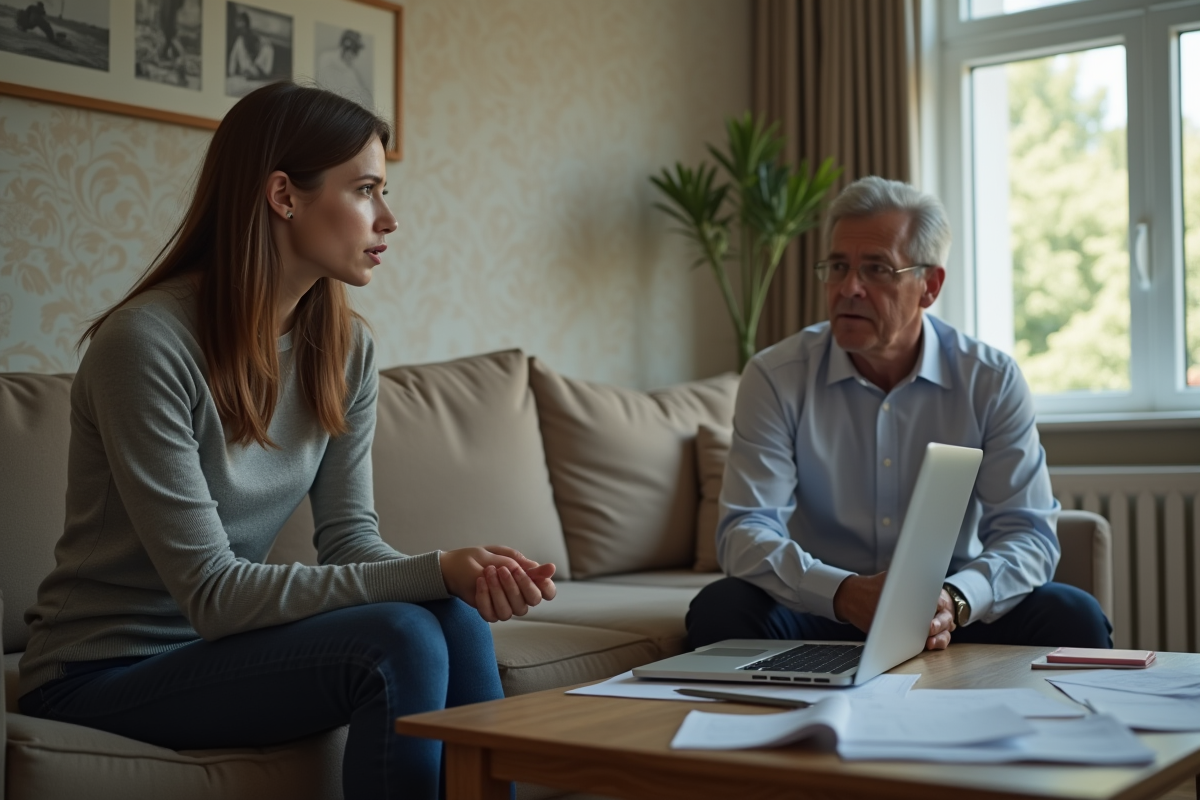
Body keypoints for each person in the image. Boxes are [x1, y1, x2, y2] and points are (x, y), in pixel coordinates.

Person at [17, 82, 556, 800]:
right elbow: (214, 593)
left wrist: (453, 577)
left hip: (218, 649)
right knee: (400, 638)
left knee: (452, 619)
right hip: (100, 672)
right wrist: (435, 567)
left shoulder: (343, 349)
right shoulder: (144, 346)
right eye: (366, 189)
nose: (389, 219)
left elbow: (350, 541)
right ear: (284, 195)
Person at [686, 176, 1111, 654]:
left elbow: (1028, 534)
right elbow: (745, 530)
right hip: (821, 606)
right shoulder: (776, 375)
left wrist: (955, 599)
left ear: (929, 285)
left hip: (948, 611)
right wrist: (844, 593)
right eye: (838, 266)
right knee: (722, 608)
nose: (849, 287)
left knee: (1073, 616)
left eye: (876, 269)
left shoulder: (989, 379)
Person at [316, 29, 372, 105]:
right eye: (352, 51)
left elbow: (363, 95)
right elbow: (324, 86)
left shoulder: (351, 71)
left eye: (355, 52)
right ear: (345, 47)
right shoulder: (326, 58)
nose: (353, 57)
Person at [227, 10, 273, 80]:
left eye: (242, 28)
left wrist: (259, 70)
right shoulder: (239, 41)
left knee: (268, 48)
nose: (241, 31)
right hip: (245, 74)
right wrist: (231, 74)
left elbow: (266, 55)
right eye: (239, 29)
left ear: (247, 25)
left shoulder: (258, 39)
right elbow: (233, 58)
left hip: (257, 72)